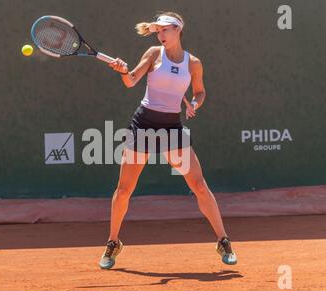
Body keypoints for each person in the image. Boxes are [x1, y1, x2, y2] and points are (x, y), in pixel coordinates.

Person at [99, 11, 237, 269]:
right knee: (124, 191)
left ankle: (223, 240)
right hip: (143, 124)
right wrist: (122, 70)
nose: (161, 35)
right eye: (158, 31)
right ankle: (113, 242)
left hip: (172, 127)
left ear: (178, 30)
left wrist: (195, 103)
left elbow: (200, 91)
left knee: (198, 185)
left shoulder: (193, 63)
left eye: (165, 30)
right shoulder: (153, 54)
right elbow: (130, 81)